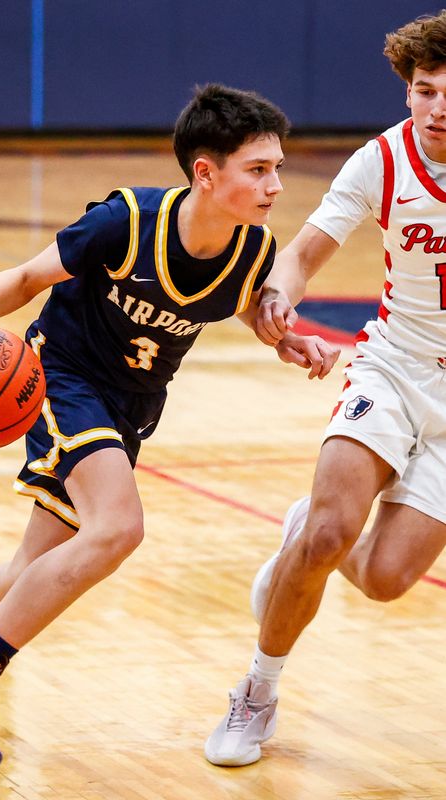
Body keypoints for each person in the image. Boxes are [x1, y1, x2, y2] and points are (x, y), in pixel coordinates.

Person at [0, 83, 340, 769]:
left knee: (32, 572)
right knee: (118, 528)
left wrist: (284, 341)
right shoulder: (126, 222)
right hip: (61, 377)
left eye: (277, 167)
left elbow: (229, 298)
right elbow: (30, 277)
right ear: (205, 173)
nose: (275, 184)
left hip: (133, 406)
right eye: (257, 169)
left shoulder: (249, 252)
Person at [205, 10, 446, 768]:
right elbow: (305, 251)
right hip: (394, 367)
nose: (438, 108)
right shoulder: (383, 161)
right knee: (330, 536)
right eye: (425, 91)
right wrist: (279, 298)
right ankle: (257, 691)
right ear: (407, 94)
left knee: (383, 579)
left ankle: (303, 522)